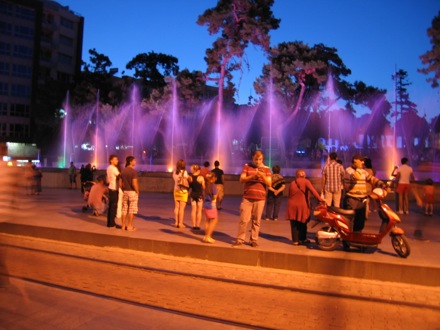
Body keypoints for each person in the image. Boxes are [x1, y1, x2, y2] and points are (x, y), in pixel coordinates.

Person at [232, 150, 271, 248]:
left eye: (260, 159)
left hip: (260, 199)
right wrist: (253, 176)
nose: (258, 161)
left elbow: (269, 183)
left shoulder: (267, 169)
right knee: (244, 220)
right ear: (252, 158)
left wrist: (262, 175)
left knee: (256, 221)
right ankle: (240, 239)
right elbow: (241, 179)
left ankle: (253, 240)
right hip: (247, 198)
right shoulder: (247, 166)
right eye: (256, 159)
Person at [344, 154, 387, 232]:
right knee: (349, 221)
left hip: (362, 200)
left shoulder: (363, 171)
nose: (363, 162)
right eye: (361, 160)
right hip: (352, 199)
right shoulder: (348, 170)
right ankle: (347, 239)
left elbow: (372, 179)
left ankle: (357, 237)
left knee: (360, 222)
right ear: (355, 161)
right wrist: (357, 167)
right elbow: (356, 177)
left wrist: (383, 185)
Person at [286, 169, 323, 245]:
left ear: (296, 175)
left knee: (294, 223)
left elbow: (289, 195)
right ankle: (303, 239)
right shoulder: (306, 181)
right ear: (304, 175)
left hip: (292, 205)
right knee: (303, 222)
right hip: (302, 205)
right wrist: (320, 199)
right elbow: (313, 191)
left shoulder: (292, 183)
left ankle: (295, 241)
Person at [120, 156, 139, 231]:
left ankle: (123, 226)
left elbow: (121, 184)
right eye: (134, 161)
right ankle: (129, 226)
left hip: (125, 191)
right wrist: (137, 191)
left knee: (124, 209)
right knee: (132, 209)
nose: (135, 162)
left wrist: (123, 189)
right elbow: (134, 183)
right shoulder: (133, 171)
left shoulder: (123, 171)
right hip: (132, 192)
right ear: (130, 162)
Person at [173, 159, 191, 229]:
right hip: (183, 192)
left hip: (176, 190)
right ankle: (180, 223)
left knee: (176, 207)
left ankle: (176, 222)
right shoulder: (185, 173)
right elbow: (188, 180)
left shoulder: (174, 173)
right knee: (182, 209)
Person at [203, 172, 218, 243]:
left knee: (207, 220)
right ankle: (208, 236)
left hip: (206, 204)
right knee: (214, 220)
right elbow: (214, 196)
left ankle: (206, 236)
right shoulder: (213, 186)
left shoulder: (206, 185)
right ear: (213, 178)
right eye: (215, 177)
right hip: (211, 205)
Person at [106, 155, 121, 229]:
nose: (117, 161)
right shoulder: (114, 168)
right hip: (114, 189)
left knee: (111, 206)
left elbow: (108, 179)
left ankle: (109, 223)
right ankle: (112, 224)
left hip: (110, 188)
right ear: (111, 160)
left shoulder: (108, 168)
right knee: (113, 207)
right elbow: (120, 175)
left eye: (117, 159)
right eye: (115, 159)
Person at [189, 164, 205, 230]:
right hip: (199, 195)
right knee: (199, 211)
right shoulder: (201, 178)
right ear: (198, 170)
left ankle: (193, 225)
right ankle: (198, 225)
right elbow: (204, 187)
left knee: (193, 210)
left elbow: (189, 186)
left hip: (193, 195)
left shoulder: (190, 177)